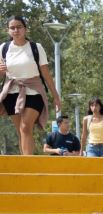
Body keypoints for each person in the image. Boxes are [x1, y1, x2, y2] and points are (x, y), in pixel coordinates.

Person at [1, 16, 61, 155]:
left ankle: (28, 163)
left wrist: (56, 97)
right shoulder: (4, 48)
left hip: (34, 91)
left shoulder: (36, 47)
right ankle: (25, 165)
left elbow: (46, 74)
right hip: (12, 92)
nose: (16, 30)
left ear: (25, 29)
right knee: (20, 130)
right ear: (8, 30)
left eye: (19, 27)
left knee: (25, 127)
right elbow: (2, 74)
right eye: (12, 28)